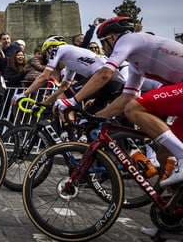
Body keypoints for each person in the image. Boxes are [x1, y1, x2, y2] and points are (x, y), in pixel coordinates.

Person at [55, 17, 183, 188]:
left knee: (134, 109)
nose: (103, 48)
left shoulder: (129, 39)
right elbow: (126, 98)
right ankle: (175, 203)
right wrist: (94, 117)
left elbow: (104, 75)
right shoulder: (135, 64)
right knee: (165, 153)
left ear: (112, 38)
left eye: (103, 42)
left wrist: (72, 101)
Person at [13, 35, 124, 115]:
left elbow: (44, 77)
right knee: (93, 117)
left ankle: (69, 139)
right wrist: (42, 103)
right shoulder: (70, 60)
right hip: (115, 79)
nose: (47, 56)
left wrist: (23, 94)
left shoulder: (58, 49)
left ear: (50, 48)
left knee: (62, 100)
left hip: (103, 76)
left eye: (47, 52)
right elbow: (64, 87)